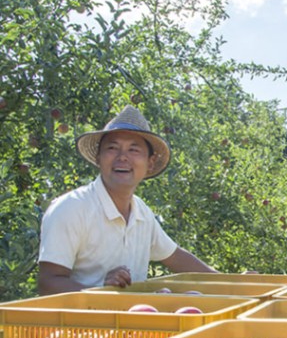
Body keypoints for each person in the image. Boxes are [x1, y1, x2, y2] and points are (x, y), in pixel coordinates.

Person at [38, 105, 220, 295]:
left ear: (150, 163)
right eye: (112, 148)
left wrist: (232, 283)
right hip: (82, 315)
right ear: (98, 158)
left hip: (132, 313)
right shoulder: (71, 208)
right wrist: (101, 291)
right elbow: (48, 283)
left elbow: (175, 257)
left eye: (134, 150)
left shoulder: (141, 213)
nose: (122, 157)